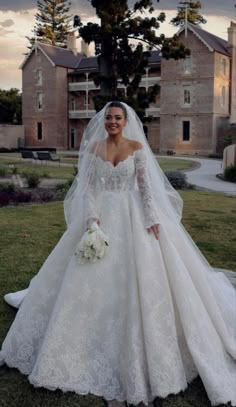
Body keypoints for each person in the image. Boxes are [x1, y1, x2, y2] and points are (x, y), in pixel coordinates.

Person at [0, 102, 236, 407]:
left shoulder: (137, 147)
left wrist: (152, 219)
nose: (112, 122)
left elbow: (145, 188)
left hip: (133, 217)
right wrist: (92, 222)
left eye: (117, 118)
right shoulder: (94, 148)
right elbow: (90, 191)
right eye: (109, 118)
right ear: (104, 121)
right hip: (102, 217)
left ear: (125, 121)